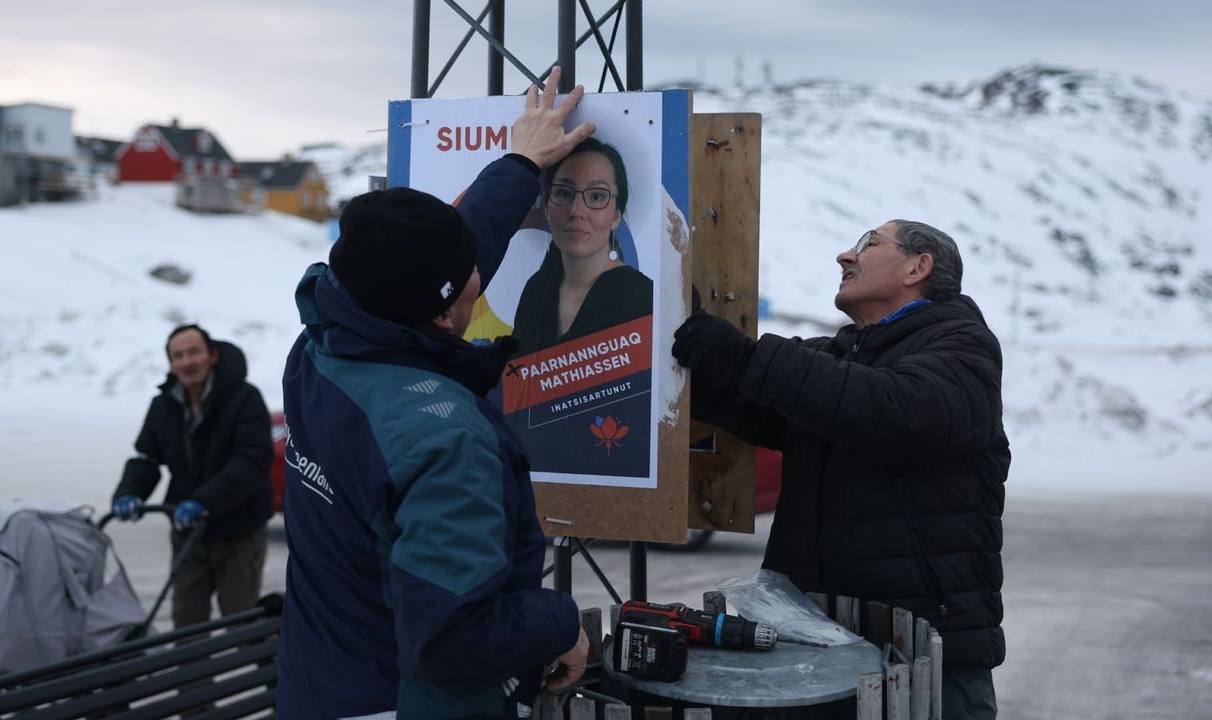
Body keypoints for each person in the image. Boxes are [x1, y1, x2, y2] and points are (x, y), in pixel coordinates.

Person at [277, 67, 593, 719]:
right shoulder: (441, 437)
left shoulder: (321, 349)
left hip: (320, 689)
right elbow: (452, 641)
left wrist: (518, 163)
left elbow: (433, 258)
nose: (481, 273)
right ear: (450, 314)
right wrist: (558, 621)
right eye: (470, 278)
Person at [672, 221, 1007, 719]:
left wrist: (747, 355)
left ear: (919, 267)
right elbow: (756, 400)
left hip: (924, 657)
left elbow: (895, 411)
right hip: (818, 647)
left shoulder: (963, 348)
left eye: (866, 244)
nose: (843, 257)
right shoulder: (843, 353)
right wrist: (683, 337)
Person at [111, 323, 273, 629]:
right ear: (171, 364)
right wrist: (129, 492)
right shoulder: (163, 405)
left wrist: (203, 501)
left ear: (212, 355)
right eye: (178, 355)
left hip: (239, 533)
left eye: (194, 352)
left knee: (241, 622)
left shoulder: (245, 398)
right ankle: (195, 679)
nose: (188, 361)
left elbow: (253, 461)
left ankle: (266, 676)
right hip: (188, 535)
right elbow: (147, 458)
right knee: (187, 624)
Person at [512, 137, 652, 356]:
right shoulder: (536, 290)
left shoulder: (644, 297)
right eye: (563, 193)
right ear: (547, 208)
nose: (576, 211)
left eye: (597, 196)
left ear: (616, 215)